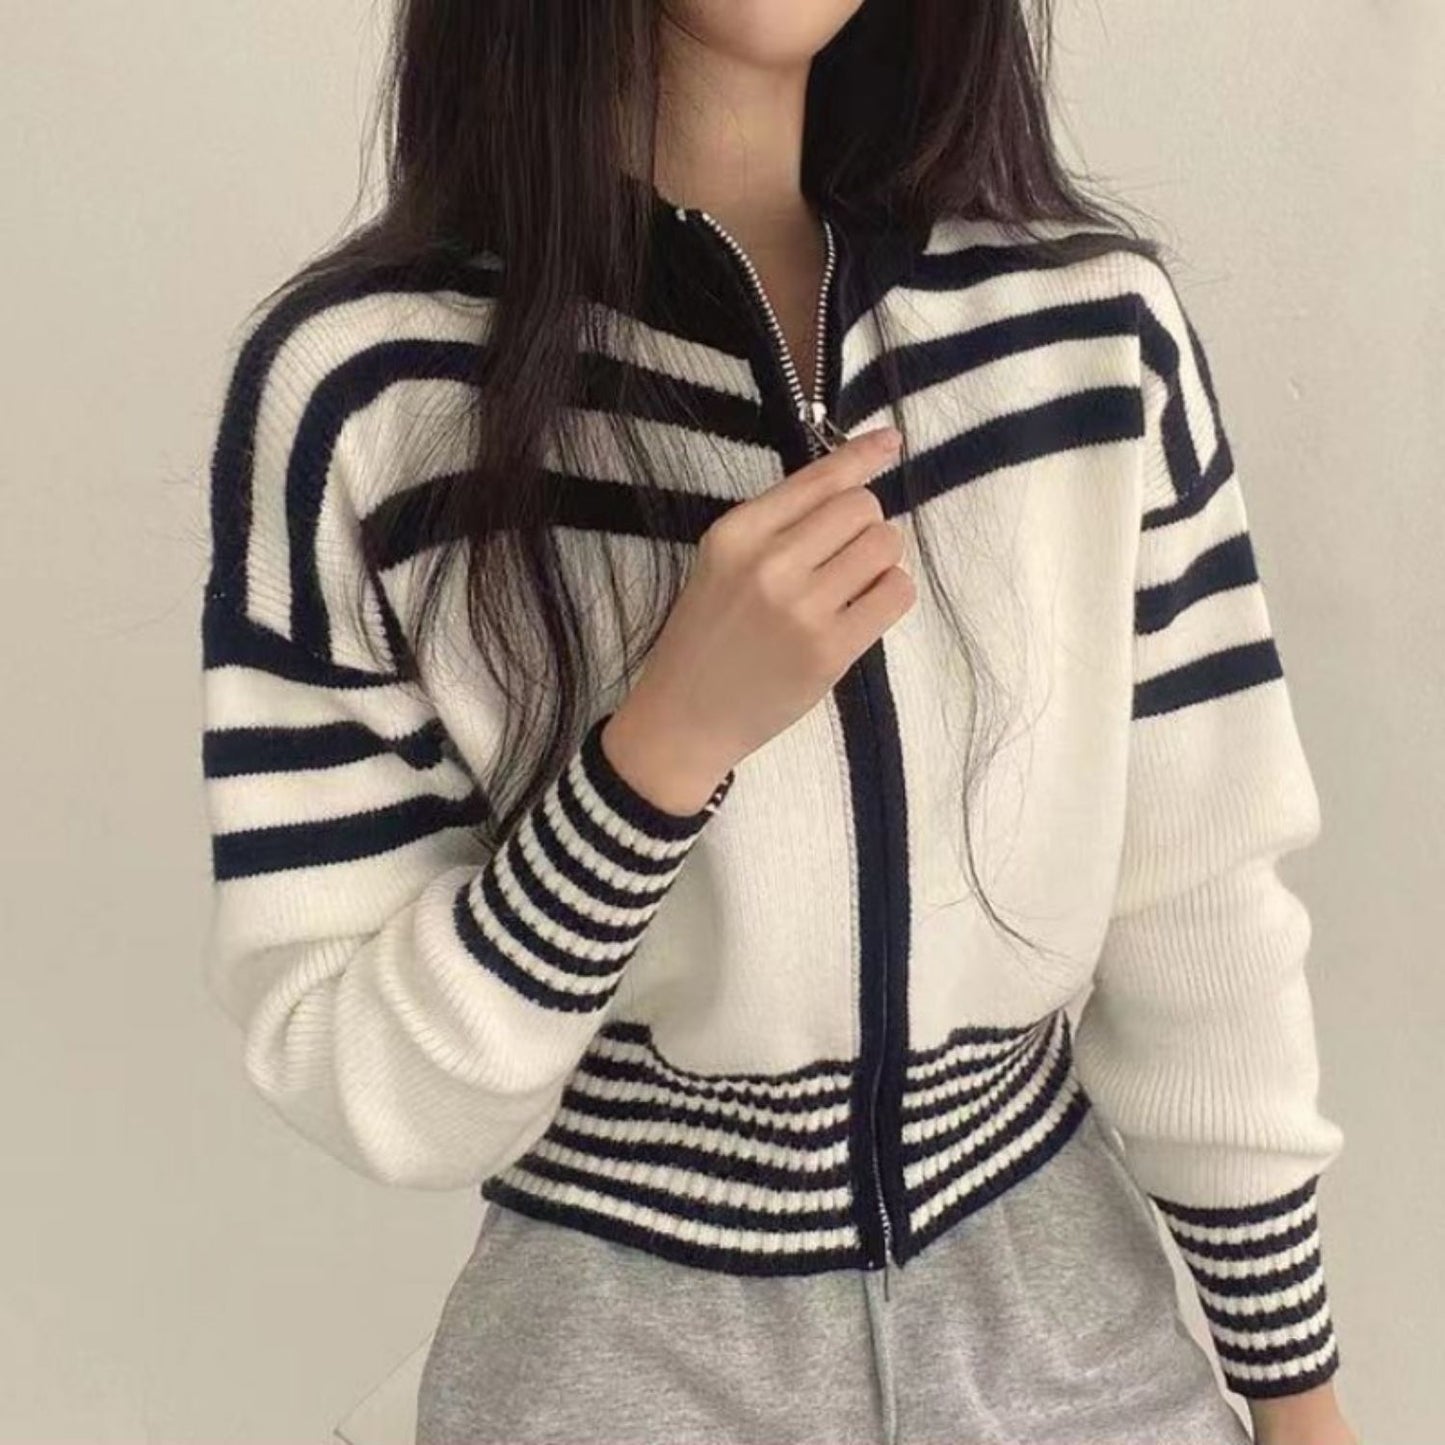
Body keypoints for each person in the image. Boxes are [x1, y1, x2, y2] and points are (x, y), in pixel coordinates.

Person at [197, 3, 1360, 1442]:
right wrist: (655, 759)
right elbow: (370, 1077)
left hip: (1072, 1344)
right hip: (611, 1366)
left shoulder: (1087, 337)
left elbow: (1197, 908)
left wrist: (1295, 1392)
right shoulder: (370, 395)